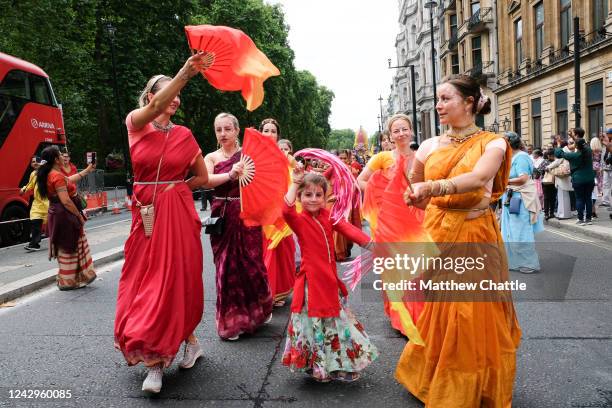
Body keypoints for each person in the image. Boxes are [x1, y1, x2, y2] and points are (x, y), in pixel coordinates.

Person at [396, 75, 521, 406]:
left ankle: (473, 387)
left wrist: (435, 188)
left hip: (475, 235)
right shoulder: (428, 146)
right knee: (444, 310)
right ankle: (437, 379)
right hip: (440, 234)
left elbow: (480, 178)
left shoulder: (493, 142)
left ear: (469, 102)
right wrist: (414, 194)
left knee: (471, 312)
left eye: (446, 98)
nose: (438, 105)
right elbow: (416, 190)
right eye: (437, 99)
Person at [114, 53, 211, 394]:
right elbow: (156, 108)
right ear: (151, 96)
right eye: (166, 90)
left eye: (177, 90)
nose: (175, 96)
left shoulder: (185, 135)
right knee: (143, 279)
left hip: (176, 212)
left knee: (172, 281)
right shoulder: (136, 123)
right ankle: (191, 342)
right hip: (144, 212)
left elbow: (201, 177)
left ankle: (155, 362)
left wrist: (177, 190)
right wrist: (186, 71)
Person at [281, 169, 378, 383]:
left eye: (318, 195)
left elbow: (348, 228)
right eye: (308, 195)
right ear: (300, 197)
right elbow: (286, 211)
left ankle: (337, 365)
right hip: (311, 284)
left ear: (326, 198)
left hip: (329, 280)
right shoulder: (299, 220)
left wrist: (372, 244)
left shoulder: (329, 217)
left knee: (337, 324)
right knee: (314, 324)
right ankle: (318, 365)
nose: (313, 199)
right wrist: (295, 182)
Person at [204, 112, 273, 341]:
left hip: (248, 214)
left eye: (227, 129)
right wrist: (230, 174)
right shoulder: (211, 157)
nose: (223, 134)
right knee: (225, 270)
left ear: (236, 130)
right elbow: (206, 180)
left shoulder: (249, 156)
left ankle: (258, 312)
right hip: (222, 215)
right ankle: (232, 322)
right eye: (218, 130)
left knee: (253, 265)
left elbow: (263, 181)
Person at [36, 146, 97, 289]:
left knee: (67, 244)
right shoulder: (56, 175)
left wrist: (87, 170)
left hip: (57, 213)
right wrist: (78, 216)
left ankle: (73, 279)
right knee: (71, 245)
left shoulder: (49, 173)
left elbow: (68, 180)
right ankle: (68, 281)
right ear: (56, 159)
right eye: (61, 156)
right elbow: (66, 201)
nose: (64, 158)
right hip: (65, 214)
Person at [258, 118, 296, 308]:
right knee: (267, 249)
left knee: (283, 251)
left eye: (273, 131)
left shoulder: (284, 156)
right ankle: (267, 292)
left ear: (277, 135)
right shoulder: (253, 154)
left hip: (282, 207)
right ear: (260, 133)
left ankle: (278, 291)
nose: (270, 134)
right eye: (266, 130)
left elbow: (297, 172)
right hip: (262, 209)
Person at [501, 132, 544, 274]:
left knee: (520, 231)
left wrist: (503, 181)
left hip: (520, 198)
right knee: (509, 231)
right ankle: (514, 261)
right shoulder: (512, 157)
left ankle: (529, 263)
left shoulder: (521, 157)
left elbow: (523, 178)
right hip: (512, 196)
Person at [554, 136, 596, 225]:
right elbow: (583, 144)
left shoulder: (573, 155)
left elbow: (558, 154)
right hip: (589, 179)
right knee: (588, 198)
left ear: (576, 146)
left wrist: (558, 144)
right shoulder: (588, 151)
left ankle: (580, 219)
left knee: (580, 199)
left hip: (578, 179)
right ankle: (588, 219)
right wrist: (576, 142)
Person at [21, 156, 49, 251]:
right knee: (34, 221)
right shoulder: (33, 174)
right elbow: (30, 184)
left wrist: (42, 167)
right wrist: (24, 189)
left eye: (37, 161)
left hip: (48, 202)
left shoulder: (46, 171)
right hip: (37, 203)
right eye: (33, 162)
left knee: (55, 222)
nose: (35, 163)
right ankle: (34, 243)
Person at [542, 149, 557, 220]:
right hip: (547, 182)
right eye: (550, 155)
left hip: (552, 182)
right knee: (547, 198)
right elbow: (539, 170)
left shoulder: (555, 161)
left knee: (552, 198)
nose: (551, 156)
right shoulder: (545, 162)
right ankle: (547, 213)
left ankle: (550, 213)